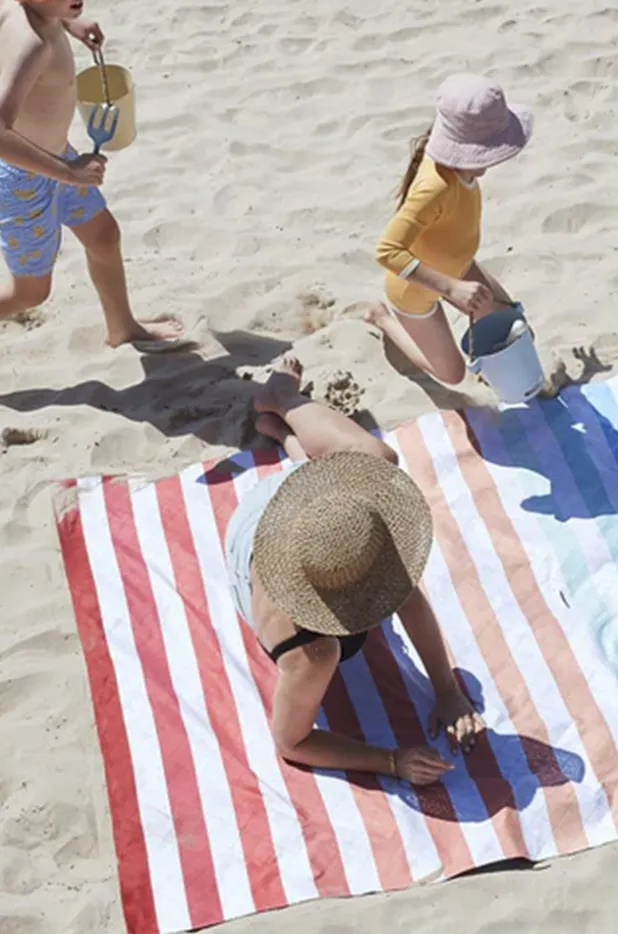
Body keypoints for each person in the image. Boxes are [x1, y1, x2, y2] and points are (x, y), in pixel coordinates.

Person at [225, 354, 485, 785]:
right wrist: (392, 762)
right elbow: (291, 742)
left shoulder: (345, 535)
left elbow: (409, 601)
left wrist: (446, 690)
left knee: (377, 457)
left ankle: (286, 410)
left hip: (291, 518)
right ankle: (289, 432)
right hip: (252, 533)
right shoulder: (313, 650)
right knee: (368, 460)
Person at [0, 0, 184, 348]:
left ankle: (122, 328)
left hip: (59, 159)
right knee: (29, 292)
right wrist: (67, 172)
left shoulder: (26, 10)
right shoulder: (31, 44)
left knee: (103, 235)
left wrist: (72, 23)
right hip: (26, 179)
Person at [364, 73, 532, 385]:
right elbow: (387, 251)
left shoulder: (462, 172)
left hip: (458, 265)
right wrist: (451, 289)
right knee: (452, 374)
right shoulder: (435, 188)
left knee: (509, 322)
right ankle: (382, 318)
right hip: (414, 288)